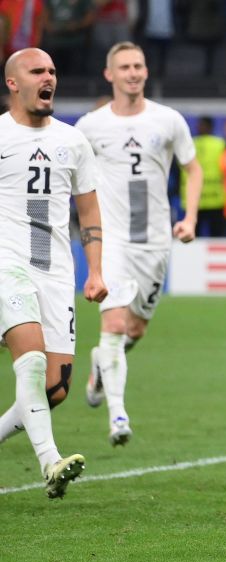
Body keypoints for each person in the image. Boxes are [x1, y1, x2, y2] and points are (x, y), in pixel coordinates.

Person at [75, 42, 203, 446]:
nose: (133, 72)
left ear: (146, 72)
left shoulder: (168, 120)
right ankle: (118, 416)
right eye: (125, 67)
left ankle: (101, 367)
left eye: (138, 66)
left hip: (155, 241)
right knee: (112, 326)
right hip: (111, 241)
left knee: (136, 329)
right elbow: (74, 181)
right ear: (109, 74)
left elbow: (192, 169)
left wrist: (190, 217)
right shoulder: (89, 126)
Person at [0, 48, 107, 497]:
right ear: (13, 83)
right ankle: (50, 462)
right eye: (37, 71)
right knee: (31, 356)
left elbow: (88, 210)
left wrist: (96, 270)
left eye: (52, 71)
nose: (49, 78)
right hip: (7, 263)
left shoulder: (73, 140)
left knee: (55, 389)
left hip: (55, 271)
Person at [183, 115, 226, 238]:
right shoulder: (220, 144)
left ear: (209, 127)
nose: (199, 127)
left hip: (215, 200)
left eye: (201, 124)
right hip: (197, 200)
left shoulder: (220, 144)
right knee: (192, 234)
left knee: (216, 236)